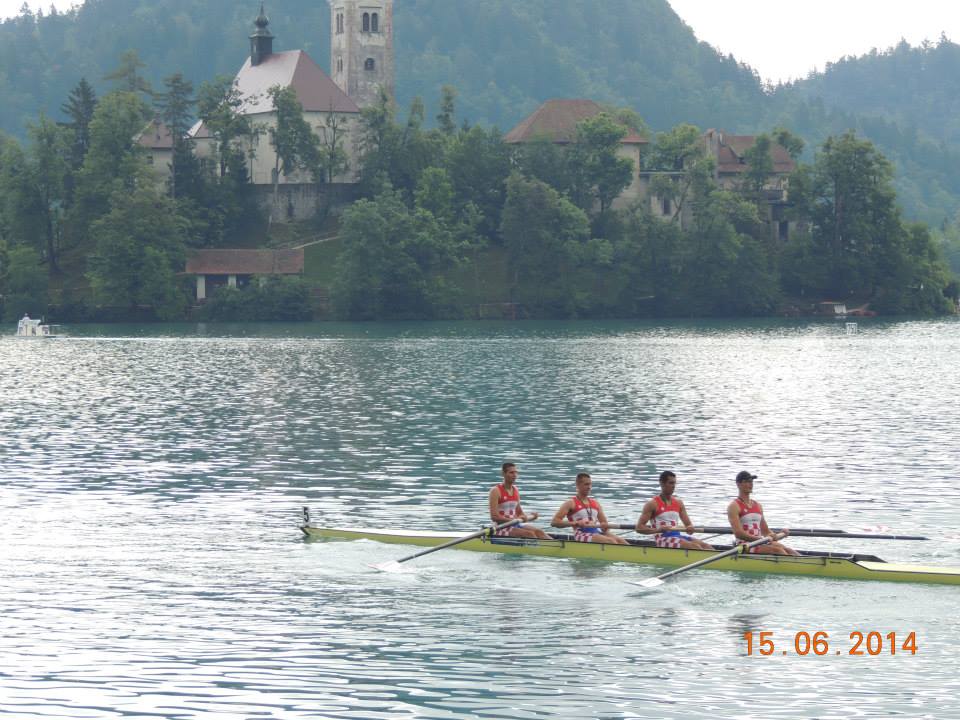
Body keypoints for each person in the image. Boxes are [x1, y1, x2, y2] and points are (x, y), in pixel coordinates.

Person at [635, 471, 713, 550]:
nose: (673, 486)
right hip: (662, 539)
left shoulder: (679, 503)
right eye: (671, 483)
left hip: (677, 536)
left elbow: (688, 525)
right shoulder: (652, 504)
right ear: (662, 483)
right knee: (694, 547)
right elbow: (639, 528)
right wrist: (658, 530)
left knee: (707, 546)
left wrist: (690, 528)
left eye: (674, 483)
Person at [726, 471, 799, 556]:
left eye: (751, 481)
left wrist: (778, 534)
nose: (750, 484)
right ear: (738, 484)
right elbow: (738, 533)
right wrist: (760, 539)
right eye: (747, 481)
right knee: (778, 551)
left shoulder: (758, 506)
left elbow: (766, 532)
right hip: (744, 546)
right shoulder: (734, 506)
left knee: (789, 550)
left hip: (760, 542)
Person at [551, 473, 628, 544]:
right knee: (611, 541)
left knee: (622, 542)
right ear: (578, 485)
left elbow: (604, 523)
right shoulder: (570, 503)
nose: (589, 487)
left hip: (596, 531)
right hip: (581, 533)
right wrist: (575, 523)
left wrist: (605, 528)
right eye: (586, 484)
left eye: (590, 484)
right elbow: (554, 522)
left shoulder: (596, 503)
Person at [488, 462, 550, 539]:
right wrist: (514, 520)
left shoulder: (515, 490)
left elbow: (519, 513)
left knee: (539, 532)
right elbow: (494, 517)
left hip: (515, 524)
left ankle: (553, 545)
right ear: (503, 474)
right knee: (529, 534)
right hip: (500, 528)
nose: (515, 475)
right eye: (511, 472)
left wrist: (525, 517)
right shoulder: (495, 491)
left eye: (516, 472)